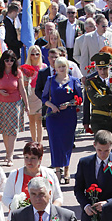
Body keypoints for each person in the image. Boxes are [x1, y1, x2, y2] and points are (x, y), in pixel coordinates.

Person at [42, 55, 82, 184]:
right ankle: (57, 171)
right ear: (55, 68)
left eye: (63, 66)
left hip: (68, 116)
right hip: (53, 116)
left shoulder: (74, 80)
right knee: (55, 143)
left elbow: (79, 99)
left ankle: (66, 169)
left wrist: (70, 104)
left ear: (67, 67)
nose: (61, 69)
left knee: (67, 143)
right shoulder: (50, 80)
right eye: (59, 66)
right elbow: (44, 98)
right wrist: (51, 105)